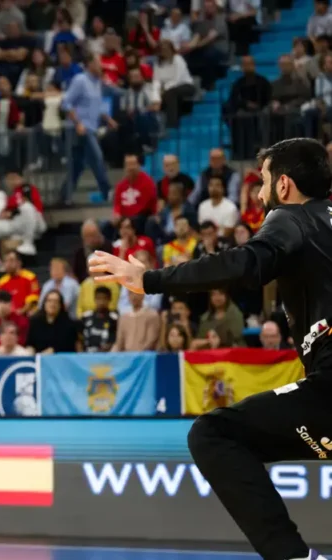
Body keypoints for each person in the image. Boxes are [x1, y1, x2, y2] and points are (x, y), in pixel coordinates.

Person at [88, 137, 332, 560]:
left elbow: (243, 263)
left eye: (265, 182)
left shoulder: (290, 218)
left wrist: (149, 280)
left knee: (213, 433)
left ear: (286, 186)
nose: (259, 194)